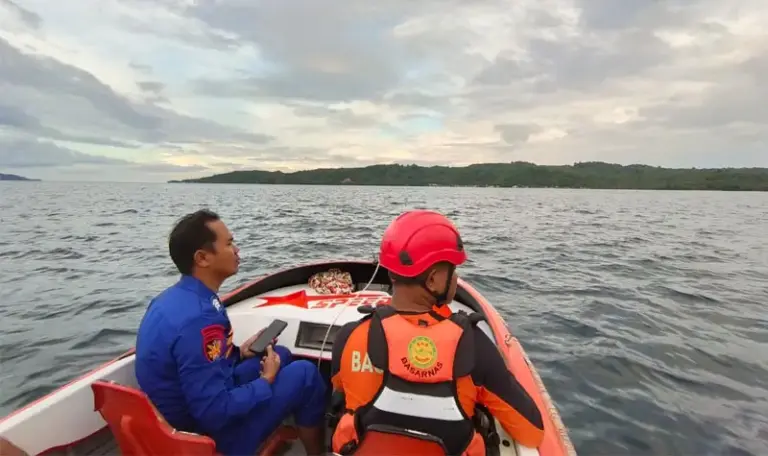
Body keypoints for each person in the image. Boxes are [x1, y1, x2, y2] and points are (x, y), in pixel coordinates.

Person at [329, 210, 545, 455]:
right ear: (432, 280)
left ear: (391, 272)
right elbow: (531, 431)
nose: (456, 277)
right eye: (453, 269)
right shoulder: (474, 346)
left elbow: (341, 391)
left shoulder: (349, 337)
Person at [135, 209, 327, 456]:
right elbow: (214, 412)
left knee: (280, 353)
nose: (236, 250)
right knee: (306, 374)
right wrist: (265, 381)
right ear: (202, 258)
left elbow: (195, 365)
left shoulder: (170, 300)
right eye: (228, 243)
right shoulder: (200, 319)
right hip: (206, 437)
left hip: (180, 417)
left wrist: (238, 353)